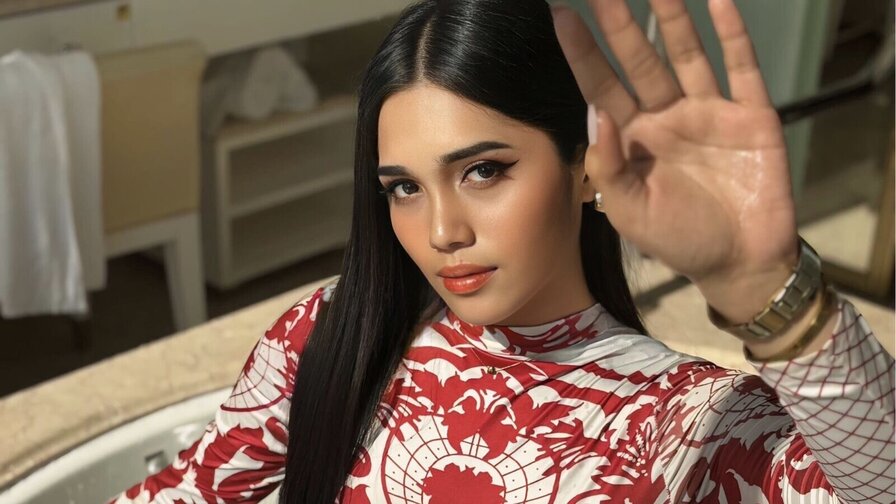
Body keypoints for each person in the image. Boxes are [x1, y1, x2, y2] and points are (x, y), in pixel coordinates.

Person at [110, 0, 895, 502]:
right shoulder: (331, 334)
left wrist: (762, 285)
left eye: (484, 171)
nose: (442, 230)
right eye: (403, 187)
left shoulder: (692, 421)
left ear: (584, 166)